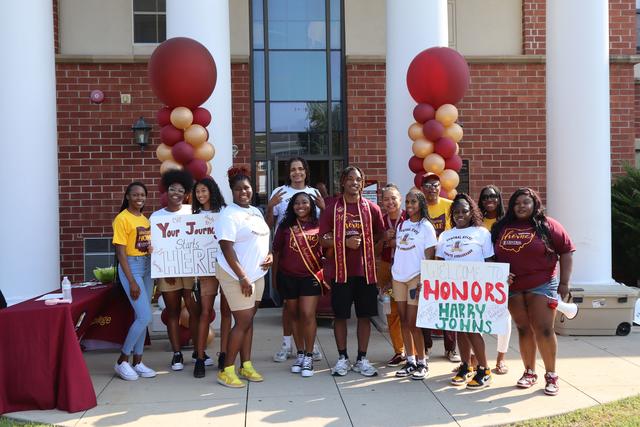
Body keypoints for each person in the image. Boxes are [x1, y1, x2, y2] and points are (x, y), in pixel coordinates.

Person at [492, 187, 575, 396]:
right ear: (511, 206)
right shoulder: (501, 226)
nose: (521, 206)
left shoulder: (548, 225)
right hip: (512, 287)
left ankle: (551, 375)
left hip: (542, 283)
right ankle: (529, 372)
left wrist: (564, 283)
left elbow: (566, 251)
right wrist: (498, 273)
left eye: (526, 202)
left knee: (544, 329)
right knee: (523, 329)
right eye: (517, 203)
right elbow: (490, 255)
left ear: (534, 204)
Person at [319, 166, 385, 377]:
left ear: (362, 183)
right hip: (341, 272)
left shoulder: (371, 208)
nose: (354, 183)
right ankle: (342, 358)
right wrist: (345, 242)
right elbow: (322, 239)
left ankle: (362, 358)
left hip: (365, 272)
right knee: (340, 316)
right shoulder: (332, 208)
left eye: (358, 180)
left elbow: (381, 235)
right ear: (343, 182)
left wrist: (372, 249)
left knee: (364, 316)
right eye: (350, 179)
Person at [216, 167, 273, 388]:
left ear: (252, 190)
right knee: (242, 321)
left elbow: (260, 239)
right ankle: (227, 370)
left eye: (247, 188)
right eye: (238, 189)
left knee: (248, 321)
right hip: (236, 275)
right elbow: (226, 247)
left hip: (258, 274)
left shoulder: (256, 212)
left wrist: (269, 255)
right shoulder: (228, 215)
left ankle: (246, 365)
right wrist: (242, 277)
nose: (243, 192)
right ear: (232, 191)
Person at [266, 157, 324, 364]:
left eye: (300, 169)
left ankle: (309, 346)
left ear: (306, 171)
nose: (297, 172)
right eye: (293, 169)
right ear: (288, 172)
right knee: (289, 309)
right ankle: (286, 344)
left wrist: (324, 206)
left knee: (307, 311)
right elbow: (268, 225)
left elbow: (323, 225)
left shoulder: (315, 194)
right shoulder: (278, 193)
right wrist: (269, 207)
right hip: (286, 253)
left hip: (309, 260)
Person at [437, 193, 494, 389]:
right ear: (452, 214)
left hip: (474, 289)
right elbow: (439, 265)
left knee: (472, 329)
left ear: (472, 213)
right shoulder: (445, 235)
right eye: (456, 211)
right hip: (453, 289)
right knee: (459, 328)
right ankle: (465, 366)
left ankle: (484, 370)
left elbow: (490, 262)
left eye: (464, 211)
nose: (460, 214)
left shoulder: (482, 233)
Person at [272, 192, 324, 377]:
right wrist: (274, 278)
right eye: (296, 203)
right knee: (293, 315)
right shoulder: (285, 227)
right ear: (292, 206)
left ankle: (309, 355)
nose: (300, 206)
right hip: (288, 277)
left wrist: (324, 208)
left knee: (307, 314)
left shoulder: (319, 224)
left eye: (305, 202)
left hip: (310, 276)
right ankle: (300, 353)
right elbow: (276, 252)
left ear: (311, 205)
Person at [151, 170, 198, 371]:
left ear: (186, 194)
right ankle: (177, 354)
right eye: (172, 189)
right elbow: (154, 246)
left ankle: (199, 351)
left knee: (194, 310)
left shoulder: (192, 213)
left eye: (180, 190)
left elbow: (199, 242)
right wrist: (163, 267)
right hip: (167, 272)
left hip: (189, 271)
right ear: (166, 191)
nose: (176, 193)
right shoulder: (157, 216)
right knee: (173, 312)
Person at [112, 182, 156, 380]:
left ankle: (137, 362)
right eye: (135, 195)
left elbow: (144, 244)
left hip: (146, 267)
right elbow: (120, 252)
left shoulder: (145, 219)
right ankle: (122, 360)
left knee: (143, 317)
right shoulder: (122, 219)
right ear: (128, 196)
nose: (140, 198)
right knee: (144, 316)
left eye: (143, 195)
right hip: (131, 268)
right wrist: (131, 281)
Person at [391, 189, 437, 380]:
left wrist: (425, 280)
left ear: (421, 203)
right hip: (398, 277)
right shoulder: (402, 225)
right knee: (403, 319)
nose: (409, 205)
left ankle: (422, 361)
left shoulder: (426, 226)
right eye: (407, 202)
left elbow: (430, 256)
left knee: (414, 322)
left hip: (416, 278)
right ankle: (410, 360)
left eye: (413, 202)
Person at [191, 177, 229, 378]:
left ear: (212, 191)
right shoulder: (194, 215)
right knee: (205, 312)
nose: (201, 195)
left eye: (204, 191)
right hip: (205, 268)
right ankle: (199, 357)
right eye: (198, 192)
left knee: (225, 311)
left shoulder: (224, 212)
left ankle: (224, 354)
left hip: (226, 266)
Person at [420, 173, 460, 363]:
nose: (432, 188)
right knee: (426, 306)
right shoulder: (419, 208)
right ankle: (426, 347)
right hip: (425, 264)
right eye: (428, 185)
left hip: (446, 264)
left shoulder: (449, 206)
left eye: (435, 184)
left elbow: (454, 233)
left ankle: (451, 349)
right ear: (422, 189)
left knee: (448, 307)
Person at [376, 184, 409, 367]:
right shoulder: (381, 221)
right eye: (386, 199)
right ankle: (399, 351)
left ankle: (416, 350)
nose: (390, 202)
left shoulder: (409, 219)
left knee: (409, 311)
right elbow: (376, 251)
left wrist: (398, 241)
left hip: (406, 269)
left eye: (393, 198)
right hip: (387, 268)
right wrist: (385, 240)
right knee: (391, 311)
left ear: (400, 199)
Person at [478, 185, 511, 375]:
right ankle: (475, 359)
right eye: (485, 197)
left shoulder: (507, 221)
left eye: (493, 196)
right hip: (480, 274)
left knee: (504, 317)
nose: (489, 200)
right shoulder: (476, 222)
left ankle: (501, 359)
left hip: (501, 275)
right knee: (477, 316)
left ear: (499, 198)